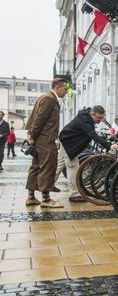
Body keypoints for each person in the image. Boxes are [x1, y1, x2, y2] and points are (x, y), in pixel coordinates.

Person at [55, 105, 118, 202]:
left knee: (60, 164)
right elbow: (92, 134)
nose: (100, 120)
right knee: (73, 167)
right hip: (69, 144)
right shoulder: (85, 121)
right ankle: (74, 195)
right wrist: (109, 145)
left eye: (102, 118)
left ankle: (46, 185)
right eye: (99, 118)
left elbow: (94, 131)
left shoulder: (87, 117)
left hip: (66, 140)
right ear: (92, 114)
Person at [25, 78, 68, 208]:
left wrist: (32, 135)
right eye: (65, 88)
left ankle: (31, 197)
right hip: (45, 139)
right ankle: (46, 199)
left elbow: (36, 118)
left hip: (41, 138)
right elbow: (39, 119)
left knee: (36, 167)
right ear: (57, 87)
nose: (66, 91)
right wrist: (32, 135)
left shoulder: (46, 97)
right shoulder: (49, 98)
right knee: (48, 167)